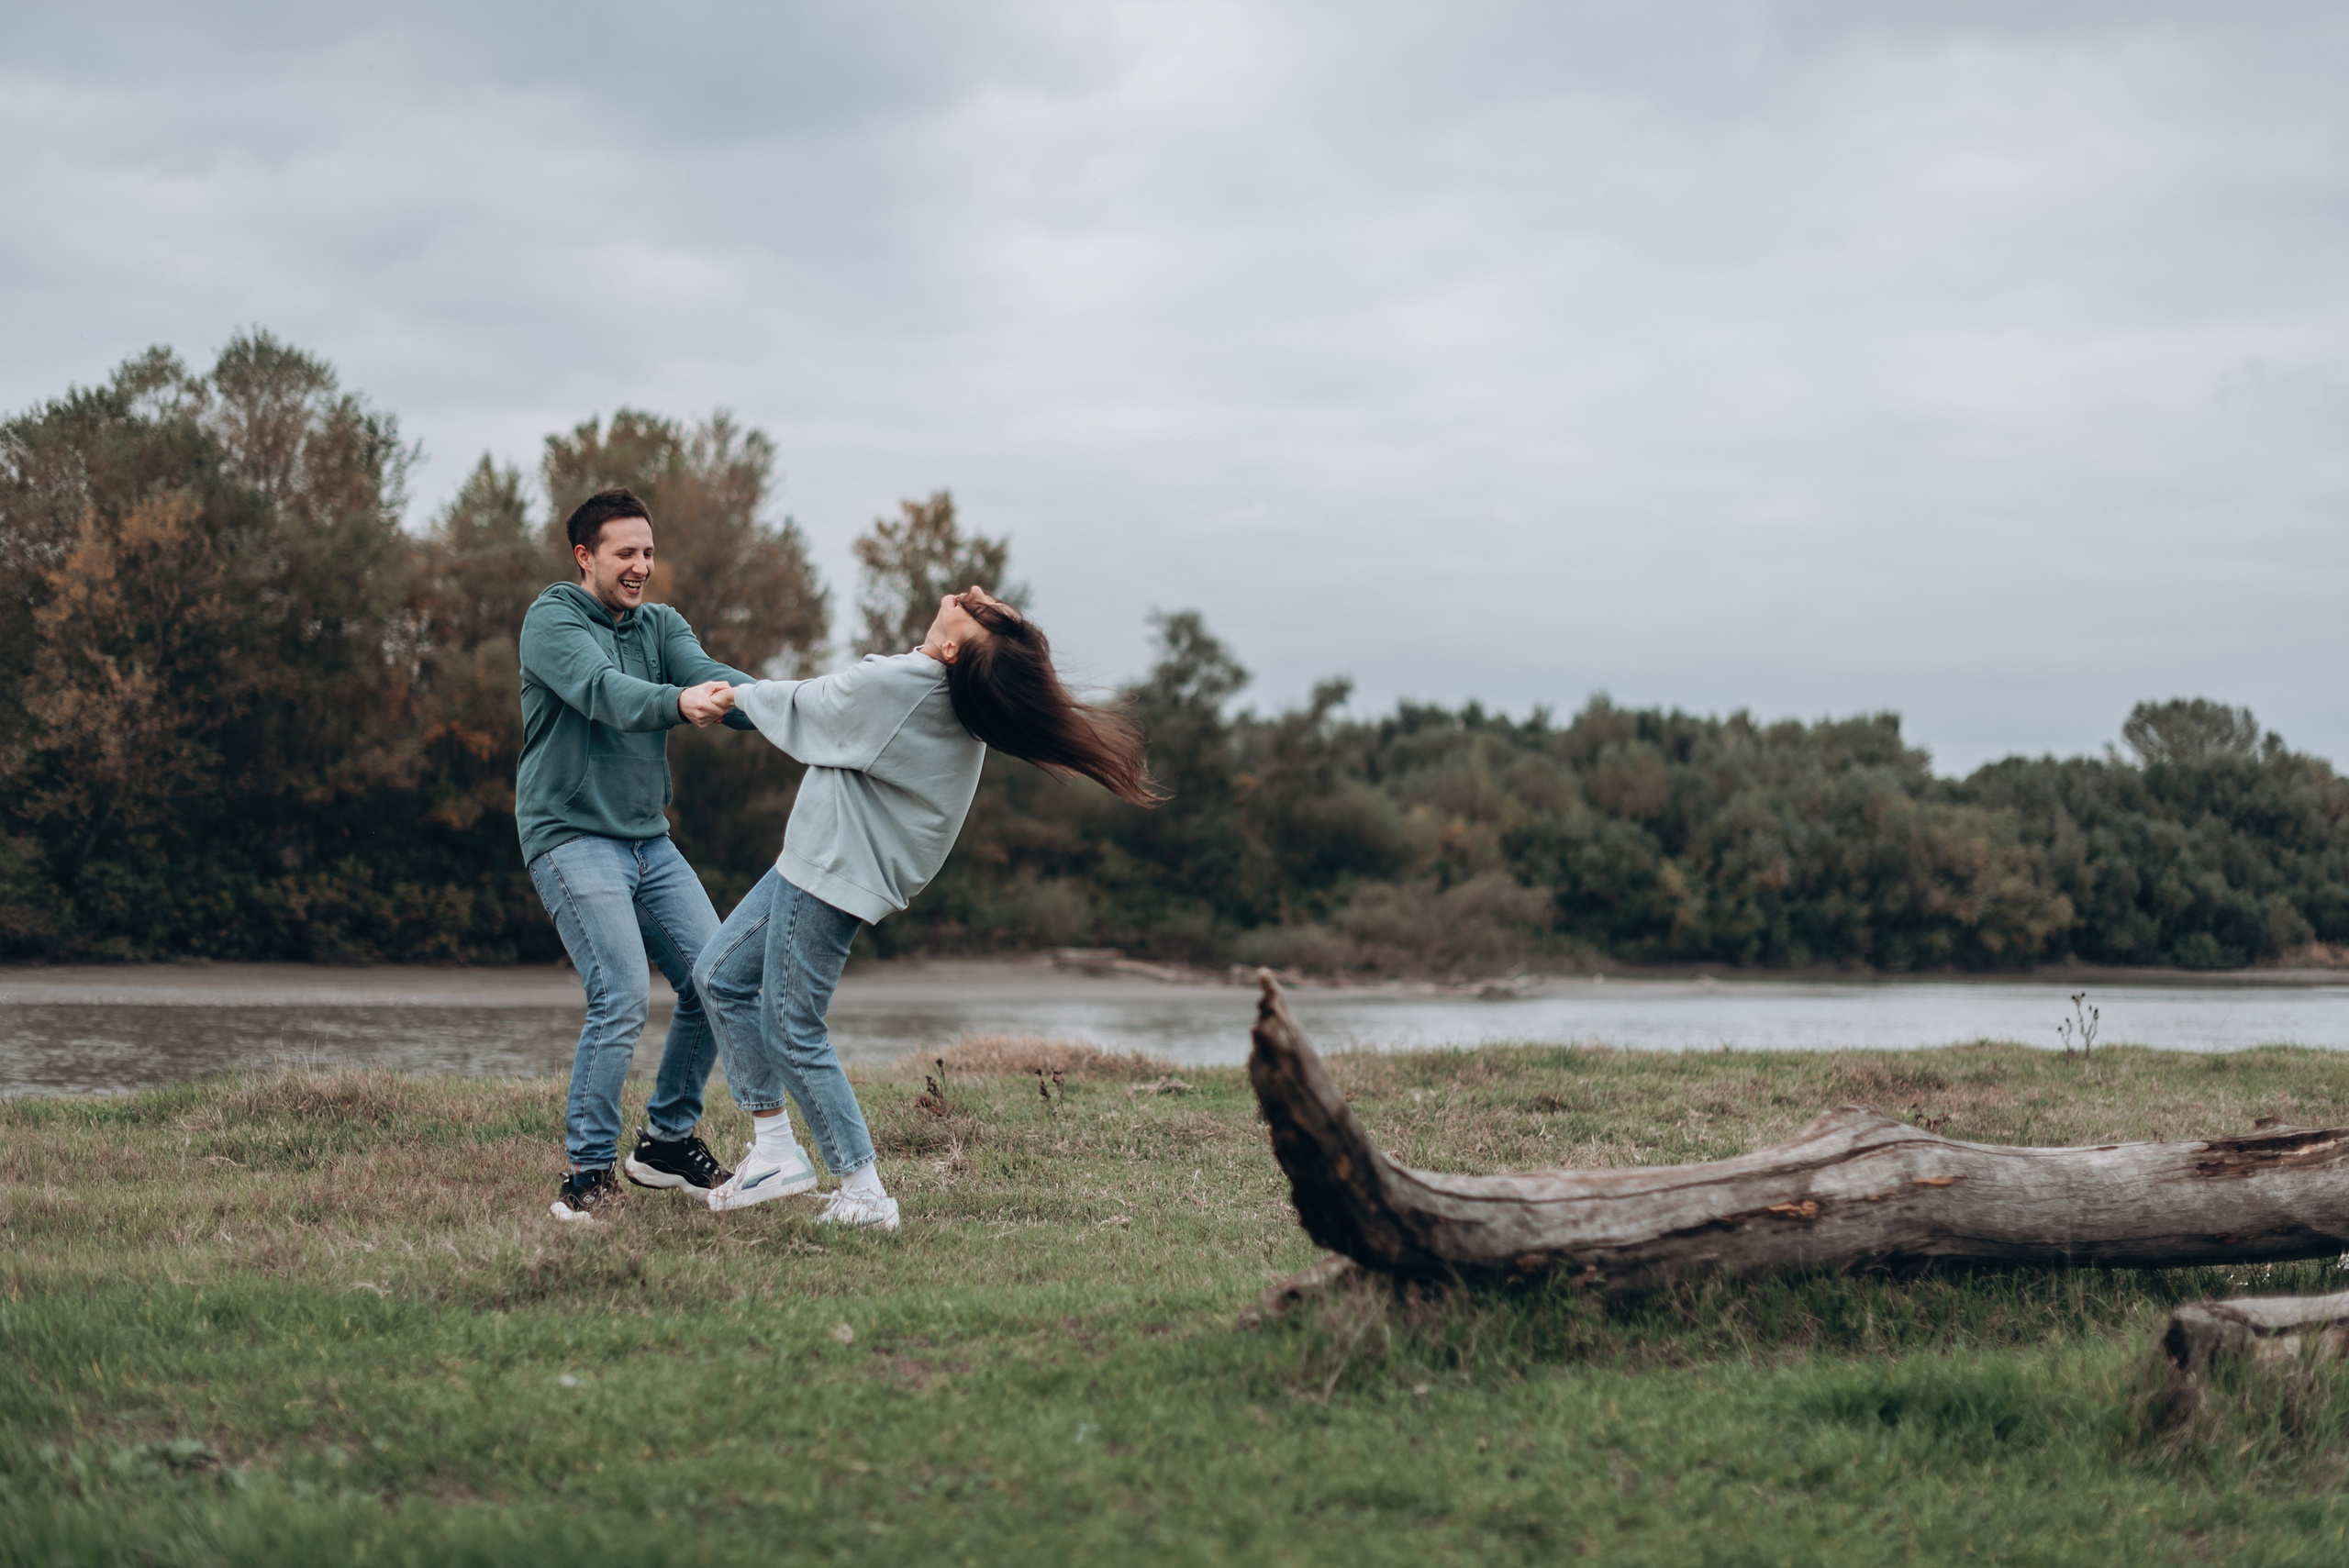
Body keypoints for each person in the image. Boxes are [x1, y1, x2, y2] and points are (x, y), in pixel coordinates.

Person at [694, 586, 1161, 1229]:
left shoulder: (911, 684)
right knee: (719, 975)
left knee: (791, 1026)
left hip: (832, 871)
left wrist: (729, 695)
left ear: (949, 650)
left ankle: (864, 1191)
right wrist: (1005, 625)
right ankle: (775, 1149)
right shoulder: (951, 691)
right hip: (813, 859)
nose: (970, 596)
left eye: (978, 612)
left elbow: (819, 703)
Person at [518, 485, 759, 1222]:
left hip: (648, 840)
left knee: (718, 978)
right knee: (622, 992)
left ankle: (665, 1143)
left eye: (648, 552)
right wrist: (676, 703)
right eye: (626, 552)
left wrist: (803, 705)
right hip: (569, 835)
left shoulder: (660, 625)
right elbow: (603, 692)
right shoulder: (553, 618)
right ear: (585, 556)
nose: (641, 566)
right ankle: (588, 1175)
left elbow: (712, 676)